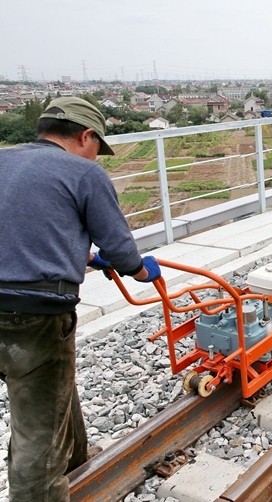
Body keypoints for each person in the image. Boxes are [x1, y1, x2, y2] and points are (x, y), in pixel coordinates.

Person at [0, 96, 161, 501]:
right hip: (32, 314)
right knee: (36, 435)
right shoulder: (83, 173)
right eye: (96, 148)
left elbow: (24, 223)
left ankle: (77, 463)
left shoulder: (4, 160)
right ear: (85, 135)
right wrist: (142, 271)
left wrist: (79, 253)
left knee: (52, 391)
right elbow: (121, 249)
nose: (96, 158)